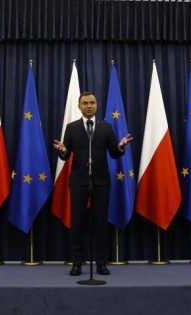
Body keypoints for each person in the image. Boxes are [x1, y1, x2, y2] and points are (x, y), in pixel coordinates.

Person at [54, 91, 133, 276]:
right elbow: (65, 154)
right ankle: (76, 264)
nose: (89, 106)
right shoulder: (72, 128)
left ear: (96, 105)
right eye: (85, 103)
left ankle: (101, 264)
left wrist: (120, 147)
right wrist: (62, 150)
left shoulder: (106, 127)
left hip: (101, 182)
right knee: (77, 224)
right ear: (79, 106)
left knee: (100, 225)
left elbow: (114, 152)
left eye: (92, 103)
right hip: (79, 182)